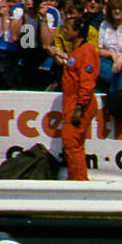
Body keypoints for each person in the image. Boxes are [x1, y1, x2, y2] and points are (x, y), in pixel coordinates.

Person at [49, 16, 99, 180]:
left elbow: (87, 82)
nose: (64, 30)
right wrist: (60, 55)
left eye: (68, 28)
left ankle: (80, 184)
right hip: (73, 102)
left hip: (80, 103)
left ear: (77, 32)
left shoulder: (87, 51)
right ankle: (76, 180)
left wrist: (79, 107)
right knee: (74, 145)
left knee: (72, 144)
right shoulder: (77, 51)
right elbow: (73, 65)